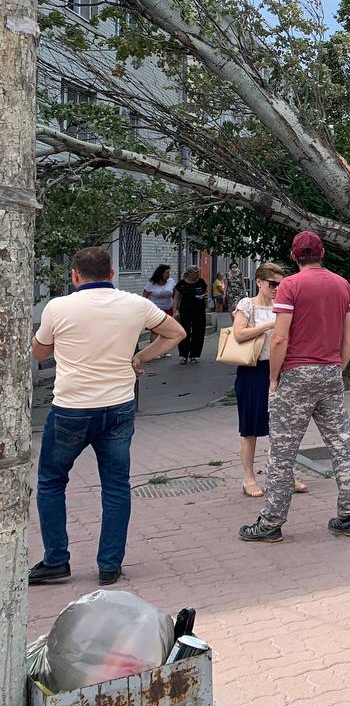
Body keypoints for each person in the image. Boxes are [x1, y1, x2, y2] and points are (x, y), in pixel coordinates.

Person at [29, 247, 185, 586]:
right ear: (112, 274)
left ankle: (56, 560)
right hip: (118, 406)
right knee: (116, 486)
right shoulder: (135, 305)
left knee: (52, 482)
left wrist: (67, 342)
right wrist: (139, 357)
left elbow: (39, 351)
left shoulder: (58, 307)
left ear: (74, 275)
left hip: (71, 407)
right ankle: (109, 566)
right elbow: (176, 333)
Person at [240, 231, 350, 543]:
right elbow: (349, 336)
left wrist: (274, 377)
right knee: (341, 444)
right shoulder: (342, 285)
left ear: (295, 257)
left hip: (295, 373)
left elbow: (279, 337)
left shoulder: (291, 286)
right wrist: (338, 366)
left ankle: (271, 523)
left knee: (282, 451)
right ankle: (349, 515)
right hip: (330, 371)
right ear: (323, 254)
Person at [231, 263, 308, 498]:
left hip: (280, 368)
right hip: (253, 369)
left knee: (284, 425)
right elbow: (238, 333)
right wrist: (268, 326)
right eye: (272, 284)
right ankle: (248, 477)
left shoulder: (282, 306)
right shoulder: (248, 305)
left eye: (281, 284)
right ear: (259, 282)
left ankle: (286, 473)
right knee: (250, 426)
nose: (277, 288)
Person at [174, 266, 208, 364]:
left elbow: (206, 292)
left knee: (199, 331)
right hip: (185, 309)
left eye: (198, 272)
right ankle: (184, 355)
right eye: (196, 272)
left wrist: (203, 296)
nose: (198, 274)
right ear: (189, 273)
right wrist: (175, 311)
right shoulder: (181, 284)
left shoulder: (201, 282)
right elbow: (176, 298)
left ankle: (195, 355)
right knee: (184, 331)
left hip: (199, 309)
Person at [142, 264, 175, 351]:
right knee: (155, 331)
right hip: (155, 310)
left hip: (168, 308)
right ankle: (152, 351)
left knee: (166, 331)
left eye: (169, 273)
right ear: (161, 273)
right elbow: (145, 296)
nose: (169, 275)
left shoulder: (171, 281)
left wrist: (176, 307)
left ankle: (164, 350)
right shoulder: (152, 283)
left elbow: (175, 294)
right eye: (167, 273)